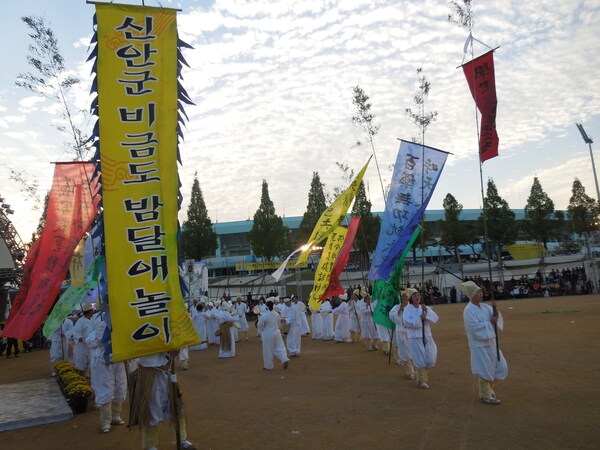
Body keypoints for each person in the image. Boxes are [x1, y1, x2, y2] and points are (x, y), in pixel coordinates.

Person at [129, 351, 196, 450]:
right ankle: (149, 445)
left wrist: (176, 349)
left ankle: (181, 439)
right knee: (150, 410)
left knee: (176, 407)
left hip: (167, 371)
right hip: (148, 372)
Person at [460, 280, 508, 405]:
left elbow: (497, 318)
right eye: (478, 292)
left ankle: (490, 389)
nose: (481, 294)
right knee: (485, 370)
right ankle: (486, 395)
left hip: (492, 343)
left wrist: (495, 309)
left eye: (481, 292)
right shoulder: (468, 311)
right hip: (479, 345)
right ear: (471, 295)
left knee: (501, 367)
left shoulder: (486, 307)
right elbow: (474, 328)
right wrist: (490, 323)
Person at [86, 311, 127, 433]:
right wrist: (101, 337)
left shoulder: (121, 327)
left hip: (118, 361)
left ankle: (116, 416)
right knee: (106, 390)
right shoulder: (97, 329)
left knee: (119, 387)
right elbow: (90, 342)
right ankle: (105, 422)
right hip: (104, 363)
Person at [402, 289, 439, 389]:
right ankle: (422, 380)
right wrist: (419, 319)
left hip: (427, 335)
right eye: (414, 296)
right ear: (411, 298)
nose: (417, 297)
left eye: (418, 295)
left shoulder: (424, 307)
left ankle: (422, 377)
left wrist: (426, 313)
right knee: (420, 360)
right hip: (414, 337)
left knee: (430, 358)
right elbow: (407, 322)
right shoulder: (407, 310)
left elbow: (435, 319)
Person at [389, 289, 416, 380]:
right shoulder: (396, 307)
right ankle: (410, 372)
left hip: (411, 332)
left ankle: (416, 368)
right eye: (402, 297)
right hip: (401, 332)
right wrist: (399, 311)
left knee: (413, 351)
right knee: (405, 352)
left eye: (406, 296)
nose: (404, 298)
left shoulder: (412, 307)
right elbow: (392, 316)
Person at [257, 300, 290, 370]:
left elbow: (260, 325)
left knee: (268, 350)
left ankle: (268, 366)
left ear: (266, 307)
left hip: (268, 334)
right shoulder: (277, 314)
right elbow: (279, 323)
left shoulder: (264, 315)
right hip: (277, 333)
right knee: (280, 347)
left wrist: (263, 330)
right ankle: (284, 359)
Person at [72, 301, 95, 375]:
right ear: (89, 311)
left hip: (90, 346)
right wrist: (79, 337)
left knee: (91, 363)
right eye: (92, 310)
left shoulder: (93, 320)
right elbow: (76, 331)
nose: (93, 312)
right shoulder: (80, 321)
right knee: (82, 364)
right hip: (82, 347)